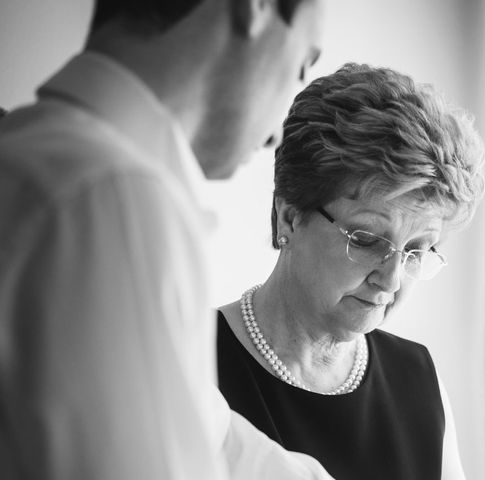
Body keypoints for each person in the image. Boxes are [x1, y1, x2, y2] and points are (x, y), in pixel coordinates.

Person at [0, 1, 333, 479]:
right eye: (301, 65)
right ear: (255, 8)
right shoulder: (110, 199)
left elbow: (214, 436)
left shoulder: (33, 157)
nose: (276, 136)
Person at [217, 63, 485, 480]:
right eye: (366, 239)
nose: (392, 278)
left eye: (416, 250)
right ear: (289, 216)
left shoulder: (417, 377)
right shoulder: (189, 360)